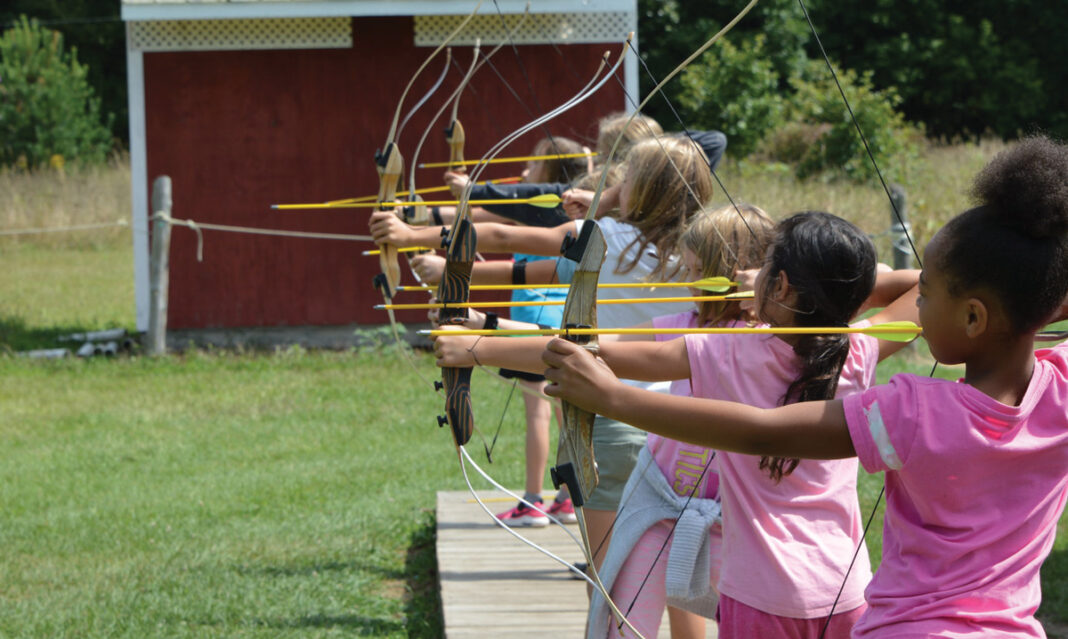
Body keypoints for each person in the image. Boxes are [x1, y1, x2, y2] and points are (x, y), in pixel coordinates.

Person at [543, 136, 1068, 637]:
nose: (917, 307)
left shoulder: (913, 409)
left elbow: (764, 434)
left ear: (974, 317)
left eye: (926, 293)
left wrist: (613, 397)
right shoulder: (1060, 392)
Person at [371, 135, 715, 572]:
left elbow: (504, 235)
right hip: (682, 424)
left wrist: (407, 234)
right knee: (670, 571)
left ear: (638, 189)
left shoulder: (602, 237)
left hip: (608, 415)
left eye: (626, 178)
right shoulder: (702, 250)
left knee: (610, 576)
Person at [434, 204, 776, 638]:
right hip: (662, 512)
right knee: (619, 614)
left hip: (741, 518)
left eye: (697, 274)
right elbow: (591, 348)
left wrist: (481, 347)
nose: (689, 284)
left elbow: (872, 286)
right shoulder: (686, 326)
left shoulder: (774, 338)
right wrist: (483, 337)